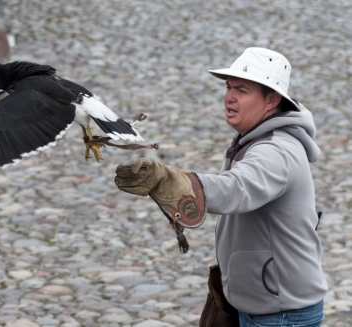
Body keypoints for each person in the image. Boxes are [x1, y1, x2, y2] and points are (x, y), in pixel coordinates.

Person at [114, 47, 328, 327]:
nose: (229, 97)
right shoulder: (255, 139)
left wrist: (171, 181)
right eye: (229, 88)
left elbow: (236, 189)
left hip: (281, 313)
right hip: (267, 303)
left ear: (271, 100)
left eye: (242, 90)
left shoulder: (276, 150)